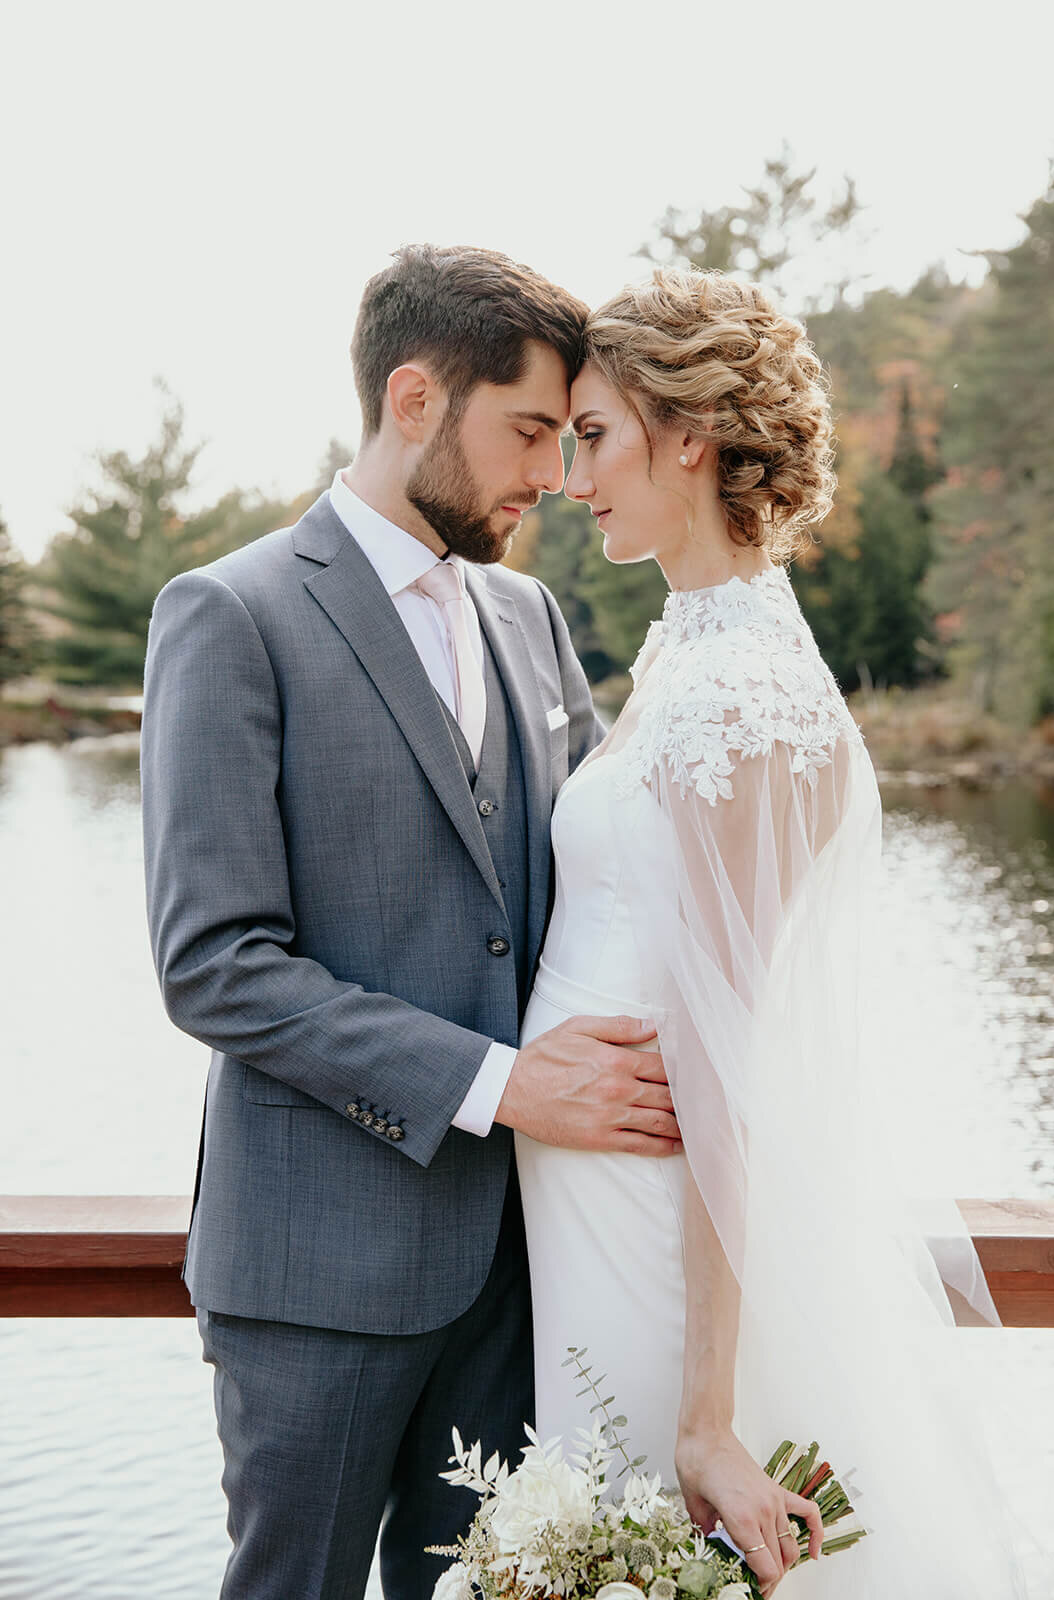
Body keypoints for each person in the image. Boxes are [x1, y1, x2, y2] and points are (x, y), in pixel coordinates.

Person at [140, 244, 685, 1600]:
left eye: (573, 440)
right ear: (414, 396)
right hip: (317, 1275)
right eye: (530, 432)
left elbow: (610, 875)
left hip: (518, 1273)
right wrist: (501, 1086)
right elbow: (216, 967)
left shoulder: (530, 619)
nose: (555, 479)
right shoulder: (232, 614)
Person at [515, 266, 1029, 1597]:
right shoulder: (689, 650)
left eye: (595, 436)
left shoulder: (749, 696)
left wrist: (708, 1414)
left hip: (654, 1228)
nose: (575, 479)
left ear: (686, 435)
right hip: (588, 1203)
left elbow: (729, 1057)